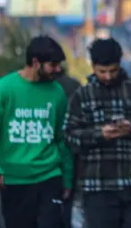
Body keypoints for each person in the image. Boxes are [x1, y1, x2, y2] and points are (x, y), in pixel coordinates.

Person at [0, 35, 73, 228]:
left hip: (49, 177)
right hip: (13, 181)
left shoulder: (57, 93)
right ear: (35, 62)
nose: (58, 69)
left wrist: (67, 177)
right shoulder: (3, 90)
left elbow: (62, 138)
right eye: (53, 64)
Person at [64, 38, 131, 228]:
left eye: (112, 71)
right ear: (93, 66)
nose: (107, 76)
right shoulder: (82, 95)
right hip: (98, 188)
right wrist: (99, 134)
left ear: (120, 63)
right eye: (102, 72)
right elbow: (69, 135)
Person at [56, 65, 82, 228]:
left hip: (52, 150)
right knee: (69, 199)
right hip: (72, 150)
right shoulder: (74, 84)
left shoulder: (47, 87)